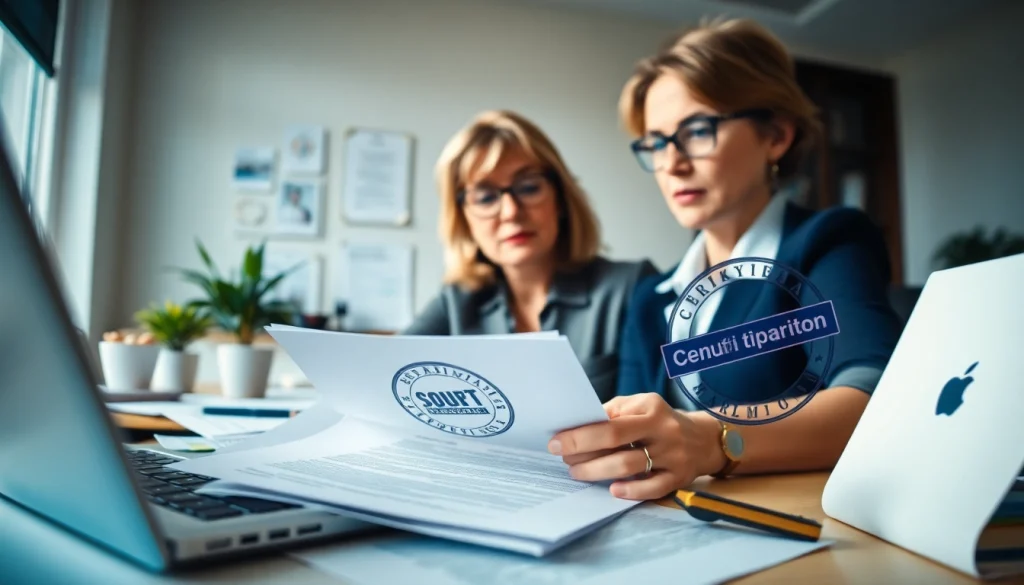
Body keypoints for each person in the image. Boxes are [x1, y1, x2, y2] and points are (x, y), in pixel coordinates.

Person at [548, 19, 903, 500]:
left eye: (697, 131)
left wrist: (713, 440)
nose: (671, 163)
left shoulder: (826, 242)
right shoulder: (653, 299)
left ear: (776, 135)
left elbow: (872, 398)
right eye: (656, 142)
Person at [404, 110, 657, 401]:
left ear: (560, 198)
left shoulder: (631, 287)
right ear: (464, 220)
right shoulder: (457, 302)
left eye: (528, 187)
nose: (511, 212)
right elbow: (383, 376)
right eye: (486, 197)